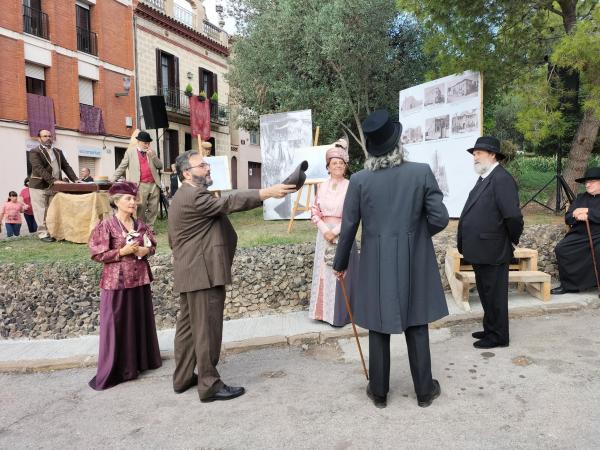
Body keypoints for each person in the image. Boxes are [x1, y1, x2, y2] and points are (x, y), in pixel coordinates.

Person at [333, 110, 449, 409]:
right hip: (414, 258)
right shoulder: (421, 171)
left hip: (376, 262)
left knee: (378, 326)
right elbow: (440, 217)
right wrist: (415, 236)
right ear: (398, 145)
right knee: (416, 323)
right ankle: (424, 391)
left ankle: (379, 392)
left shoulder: (358, 180)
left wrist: (340, 263)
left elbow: (348, 227)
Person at [168, 150, 296, 402]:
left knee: (187, 329)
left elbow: (173, 240)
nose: (207, 168)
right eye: (202, 165)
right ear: (186, 173)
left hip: (190, 272)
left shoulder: (181, 196)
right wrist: (266, 192)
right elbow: (228, 202)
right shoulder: (194, 196)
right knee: (207, 330)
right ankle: (209, 385)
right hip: (203, 273)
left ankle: (183, 377)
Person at [88, 181, 162, 390]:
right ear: (116, 202)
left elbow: (153, 245)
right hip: (116, 282)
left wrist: (144, 252)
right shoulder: (107, 226)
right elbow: (96, 253)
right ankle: (121, 367)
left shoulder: (140, 225)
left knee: (139, 321)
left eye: (134, 199)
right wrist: (122, 252)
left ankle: (140, 362)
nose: (133, 202)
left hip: (140, 279)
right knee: (117, 323)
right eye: (128, 199)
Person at [457, 136, 523, 349]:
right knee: (486, 293)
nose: (474, 157)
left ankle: (499, 336)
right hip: (482, 249)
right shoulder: (485, 177)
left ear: (492, 155)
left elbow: (512, 217)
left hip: (493, 249)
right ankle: (490, 328)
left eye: (478, 153)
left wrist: (510, 240)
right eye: (474, 154)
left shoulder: (501, 179)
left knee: (495, 295)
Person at [309, 140, 358, 326]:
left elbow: (352, 213)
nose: (337, 166)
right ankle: (324, 314)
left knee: (341, 273)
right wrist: (324, 230)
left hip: (343, 234)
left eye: (341, 163)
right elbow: (314, 211)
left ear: (345, 167)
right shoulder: (321, 186)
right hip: (324, 235)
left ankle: (340, 316)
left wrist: (336, 231)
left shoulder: (351, 186)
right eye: (334, 163)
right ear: (328, 167)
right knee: (325, 272)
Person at [552, 167, 600, 294]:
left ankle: (596, 283)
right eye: (586, 182)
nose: (587, 184)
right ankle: (569, 285)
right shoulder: (581, 198)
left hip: (598, 235)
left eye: (592, 181)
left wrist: (588, 212)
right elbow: (568, 217)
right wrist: (575, 215)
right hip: (579, 235)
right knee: (561, 249)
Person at [28, 129, 79, 242]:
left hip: (54, 186)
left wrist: (75, 180)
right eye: (45, 136)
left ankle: (54, 232)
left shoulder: (58, 151)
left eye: (50, 136)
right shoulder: (34, 151)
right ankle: (43, 234)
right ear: (39, 138)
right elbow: (38, 168)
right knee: (41, 210)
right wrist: (53, 180)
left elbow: (66, 166)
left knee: (53, 210)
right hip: (38, 185)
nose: (48, 138)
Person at [111, 130, 163, 227]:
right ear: (139, 142)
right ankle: (141, 226)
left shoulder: (152, 152)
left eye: (148, 143)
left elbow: (160, 166)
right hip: (140, 184)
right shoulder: (130, 152)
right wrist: (112, 179)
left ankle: (150, 227)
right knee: (141, 207)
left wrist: (153, 156)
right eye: (145, 143)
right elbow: (122, 166)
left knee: (154, 207)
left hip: (154, 184)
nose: (147, 145)